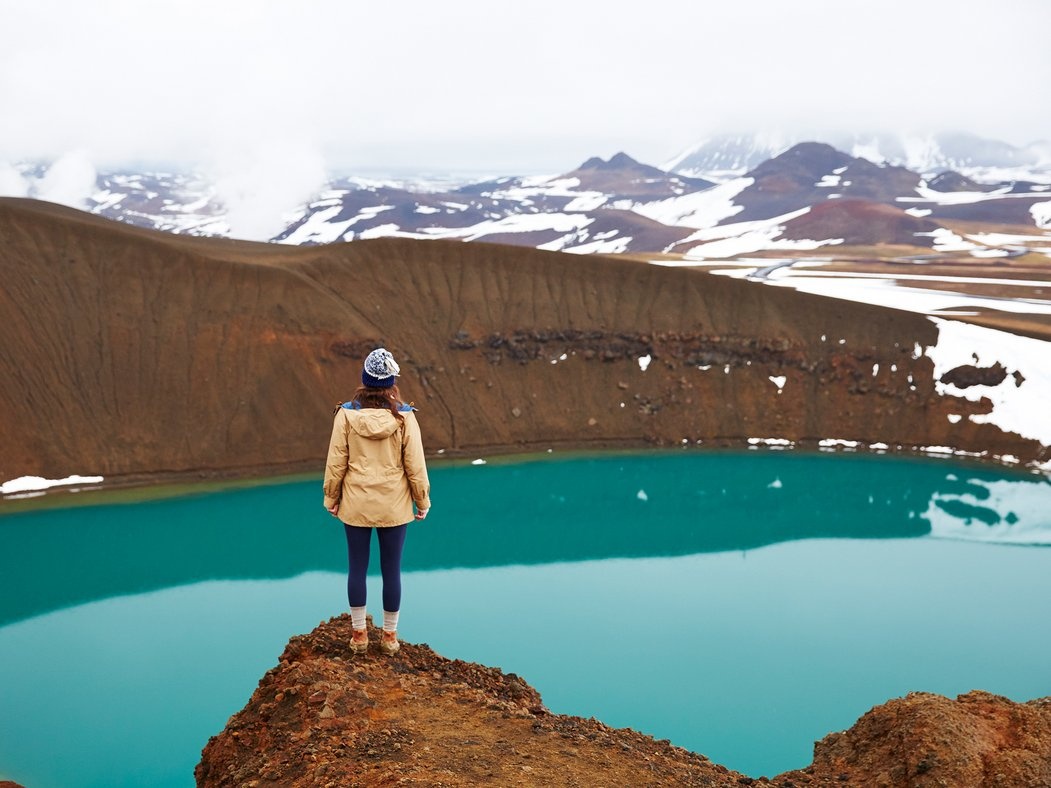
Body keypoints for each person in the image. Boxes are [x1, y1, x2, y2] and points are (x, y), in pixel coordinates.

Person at [323, 348, 431, 656]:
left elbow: (336, 463)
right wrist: (422, 501)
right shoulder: (405, 418)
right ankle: (389, 638)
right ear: (391, 383)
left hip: (355, 503)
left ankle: (359, 636)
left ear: (365, 380)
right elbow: (416, 465)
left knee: (357, 568)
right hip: (394, 506)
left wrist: (332, 498)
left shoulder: (345, 415)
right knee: (391, 570)